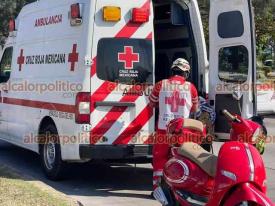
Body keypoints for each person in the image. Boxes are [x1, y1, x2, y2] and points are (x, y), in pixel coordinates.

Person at [149, 58, 199, 194]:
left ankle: (158, 190)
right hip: (182, 130)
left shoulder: (160, 84)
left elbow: (152, 103)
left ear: (172, 70)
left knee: (159, 158)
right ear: (186, 73)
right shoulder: (191, 87)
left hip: (163, 129)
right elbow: (195, 109)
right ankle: (179, 190)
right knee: (183, 158)